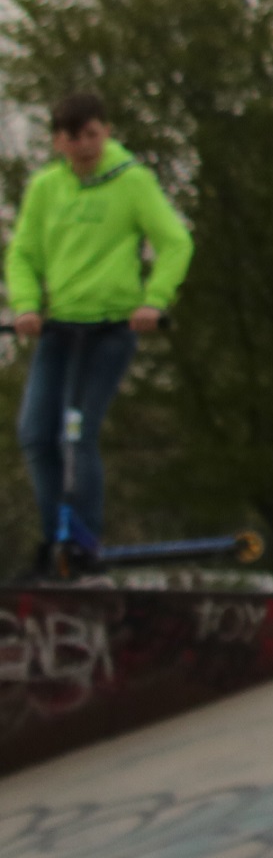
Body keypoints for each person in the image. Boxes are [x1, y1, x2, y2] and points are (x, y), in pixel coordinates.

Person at [9, 90, 194, 575]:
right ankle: (56, 540)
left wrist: (154, 300)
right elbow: (22, 254)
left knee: (77, 434)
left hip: (111, 328)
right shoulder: (47, 188)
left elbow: (174, 242)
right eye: (73, 137)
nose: (85, 145)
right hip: (60, 327)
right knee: (34, 433)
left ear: (106, 132)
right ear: (57, 142)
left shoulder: (132, 181)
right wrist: (26, 306)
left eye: (92, 134)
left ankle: (85, 543)